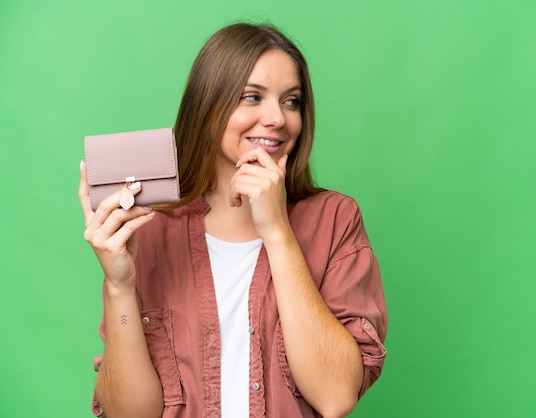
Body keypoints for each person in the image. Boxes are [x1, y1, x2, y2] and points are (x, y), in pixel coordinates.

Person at [79, 22, 387, 418]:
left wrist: (277, 231)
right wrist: (119, 285)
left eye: (292, 101)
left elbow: (336, 397)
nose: (277, 118)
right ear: (208, 106)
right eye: (252, 97)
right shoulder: (150, 226)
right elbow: (130, 414)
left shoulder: (334, 220)